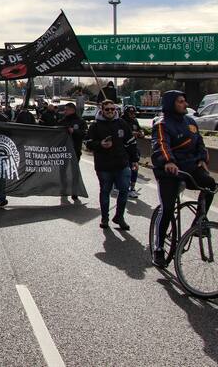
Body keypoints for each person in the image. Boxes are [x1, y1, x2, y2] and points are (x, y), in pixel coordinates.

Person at [151, 90, 216, 268]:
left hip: (190, 167)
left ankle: (199, 222)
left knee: (210, 184)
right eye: (180, 102)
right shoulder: (161, 124)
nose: (185, 104)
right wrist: (168, 161)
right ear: (171, 103)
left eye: (185, 101)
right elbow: (161, 144)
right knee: (168, 208)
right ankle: (158, 249)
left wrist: (203, 159)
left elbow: (200, 143)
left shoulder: (190, 122)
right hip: (169, 171)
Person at [85, 100, 138, 230]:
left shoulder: (121, 123)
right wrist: (100, 144)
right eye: (107, 109)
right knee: (105, 191)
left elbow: (131, 142)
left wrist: (135, 159)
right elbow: (88, 142)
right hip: (104, 166)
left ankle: (119, 217)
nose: (110, 111)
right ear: (102, 110)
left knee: (124, 189)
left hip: (122, 163)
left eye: (112, 109)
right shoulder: (95, 126)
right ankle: (105, 218)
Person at [59, 102, 86, 201]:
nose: (65, 111)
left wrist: (74, 131)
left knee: (74, 171)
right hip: (63, 151)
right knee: (63, 171)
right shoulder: (62, 121)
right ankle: (64, 188)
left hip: (75, 150)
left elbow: (84, 134)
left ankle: (75, 191)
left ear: (72, 110)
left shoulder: (80, 122)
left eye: (66, 109)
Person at [121, 106, 144, 198]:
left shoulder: (135, 121)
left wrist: (141, 132)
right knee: (123, 169)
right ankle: (121, 186)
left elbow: (139, 129)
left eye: (134, 113)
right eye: (131, 113)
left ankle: (132, 188)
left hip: (133, 148)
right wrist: (129, 134)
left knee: (135, 167)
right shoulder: (121, 121)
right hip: (122, 148)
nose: (133, 115)